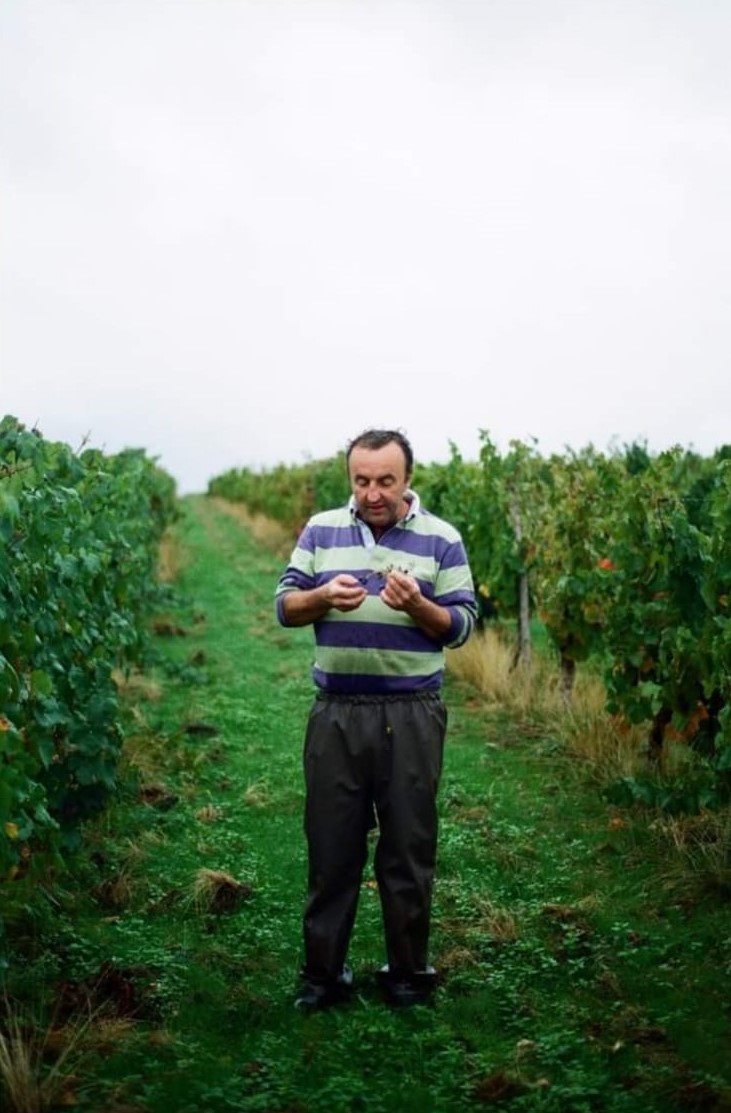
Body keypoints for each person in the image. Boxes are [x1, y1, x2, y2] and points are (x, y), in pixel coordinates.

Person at [275, 428, 477, 1010]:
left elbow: (462, 625)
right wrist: (320, 598)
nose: (372, 493)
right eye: (361, 481)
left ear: (407, 479)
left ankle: (409, 974)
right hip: (336, 713)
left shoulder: (442, 540)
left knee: (408, 847)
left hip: (411, 712)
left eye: (385, 481)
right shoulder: (322, 530)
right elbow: (285, 603)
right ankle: (323, 976)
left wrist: (418, 605)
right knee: (331, 845)